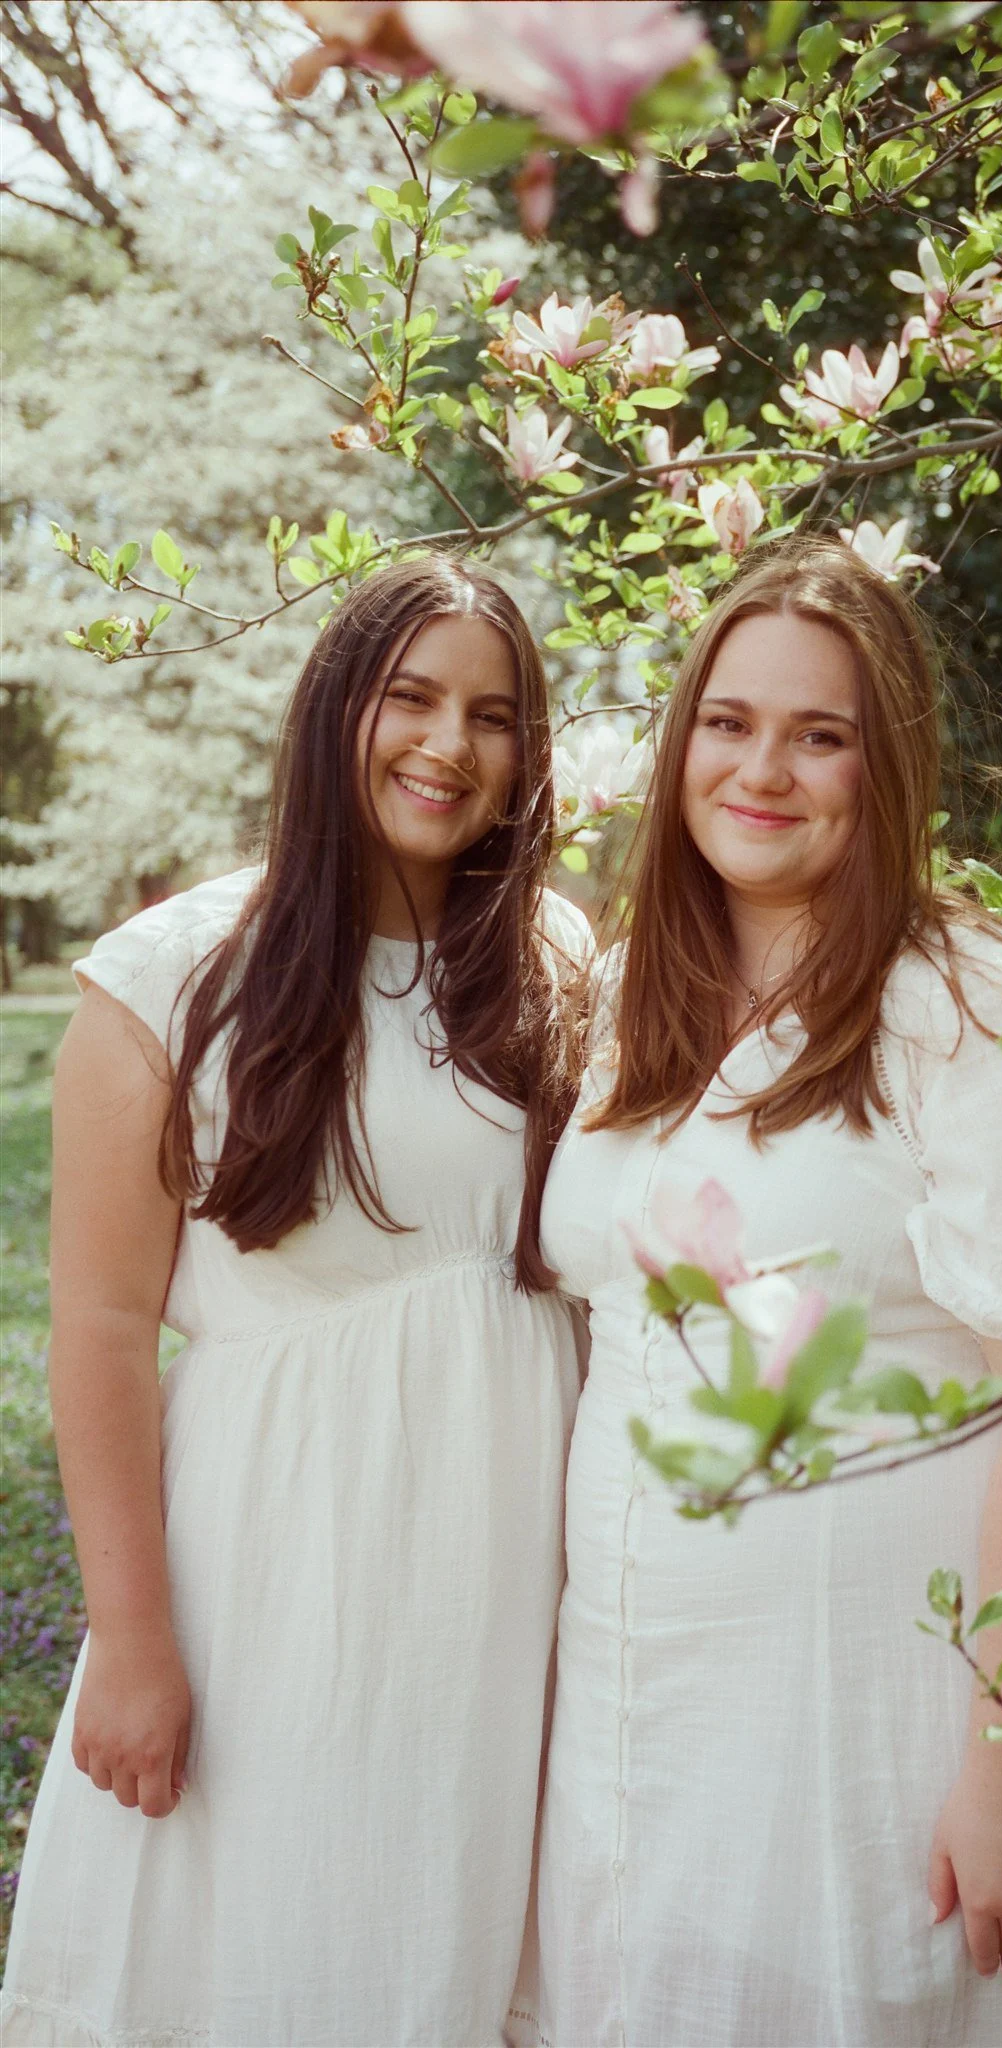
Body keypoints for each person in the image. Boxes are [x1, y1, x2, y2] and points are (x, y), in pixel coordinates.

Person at [528, 538, 1002, 2047]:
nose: (763, 770)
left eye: (820, 736)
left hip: (875, 1717)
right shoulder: (628, 1000)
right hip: (640, 1711)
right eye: (729, 722)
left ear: (889, 770)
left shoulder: (968, 1008)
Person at [1, 556, 590, 2047]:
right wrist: (131, 1641)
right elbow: (103, 1329)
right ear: (337, 707)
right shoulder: (174, 977)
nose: (449, 745)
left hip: (511, 1582)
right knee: (269, 1955)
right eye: (411, 698)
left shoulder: (556, 964)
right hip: (275, 1575)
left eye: (493, 716)